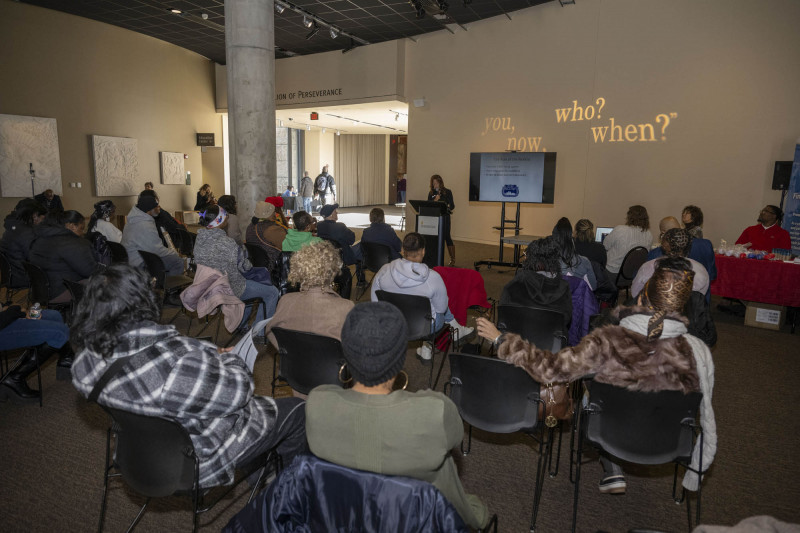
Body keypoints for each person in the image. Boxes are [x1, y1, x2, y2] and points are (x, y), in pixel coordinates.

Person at [477, 257, 716, 495]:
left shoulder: (606, 340)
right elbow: (705, 412)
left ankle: (611, 464)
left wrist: (501, 339)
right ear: (682, 303)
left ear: (643, 296)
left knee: (587, 389)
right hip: (670, 440)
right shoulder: (699, 351)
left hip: (609, 431)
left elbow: (549, 369)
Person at [70, 264, 307, 487]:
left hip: (138, 452)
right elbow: (239, 393)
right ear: (144, 303)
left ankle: (260, 471)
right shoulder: (179, 360)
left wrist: (203, 358)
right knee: (297, 410)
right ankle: (284, 490)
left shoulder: (85, 362)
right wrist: (230, 359)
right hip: (194, 459)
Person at [305, 302, 490, 530]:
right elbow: (454, 437)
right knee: (442, 464)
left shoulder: (317, 403)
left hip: (343, 517)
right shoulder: (434, 412)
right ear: (401, 358)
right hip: (414, 518)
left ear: (346, 352)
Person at [370, 232, 473, 362]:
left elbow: (375, 302)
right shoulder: (433, 277)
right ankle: (453, 330)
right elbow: (441, 309)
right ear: (423, 251)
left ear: (402, 250)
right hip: (424, 327)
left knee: (432, 306)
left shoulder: (384, 270)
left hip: (392, 323)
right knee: (439, 306)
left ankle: (427, 348)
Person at [194, 205, 280, 326]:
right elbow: (245, 267)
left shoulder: (199, 239)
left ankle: (241, 325)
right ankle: (259, 332)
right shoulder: (227, 243)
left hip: (208, 285)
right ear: (222, 221)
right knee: (272, 292)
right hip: (230, 286)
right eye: (226, 217)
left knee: (253, 286)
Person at [0, 303, 72, 404]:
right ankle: (14, 379)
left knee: (55, 316)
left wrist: (12, 308)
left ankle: (67, 358)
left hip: (6, 317)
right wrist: (18, 312)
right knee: (60, 332)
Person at [499, 236, 572, 331]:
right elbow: (566, 319)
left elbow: (503, 316)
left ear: (530, 260)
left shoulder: (515, 284)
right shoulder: (564, 287)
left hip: (518, 340)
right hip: (551, 343)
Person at [29, 210, 97, 303]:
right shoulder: (72, 243)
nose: (82, 233)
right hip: (60, 292)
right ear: (71, 226)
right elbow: (90, 271)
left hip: (41, 292)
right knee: (106, 283)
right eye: (81, 229)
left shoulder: (40, 238)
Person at [121, 191, 184, 276]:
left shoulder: (133, 220)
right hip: (139, 264)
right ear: (150, 210)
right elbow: (157, 250)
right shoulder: (145, 225)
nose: (159, 208)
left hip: (130, 259)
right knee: (177, 261)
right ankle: (164, 287)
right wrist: (174, 253)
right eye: (157, 206)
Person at [632, 228, 710, 297]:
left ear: (664, 245)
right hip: (688, 312)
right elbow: (699, 297)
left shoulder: (649, 267)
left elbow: (635, 293)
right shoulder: (701, 269)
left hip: (654, 311)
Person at [647, 216, 717, 286]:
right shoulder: (706, 244)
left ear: (663, 233)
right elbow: (712, 275)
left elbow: (648, 281)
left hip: (670, 294)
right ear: (680, 227)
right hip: (702, 294)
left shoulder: (656, 254)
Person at [1, 199, 47, 287]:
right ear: (34, 215)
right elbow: (35, 258)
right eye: (42, 218)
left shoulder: (12, 227)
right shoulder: (26, 232)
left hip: (10, 275)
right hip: (22, 277)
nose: (43, 222)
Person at [316, 204, 364, 282]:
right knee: (361, 246)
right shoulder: (340, 227)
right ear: (331, 214)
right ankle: (361, 280)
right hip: (342, 255)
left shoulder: (319, 225)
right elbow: (352, 240)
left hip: (325, 254)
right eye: (335, 211)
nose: (337, 213)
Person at [603, 204, 653, 276]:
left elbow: (605, 246)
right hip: (632, 275)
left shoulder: (620, 229)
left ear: (629, 216)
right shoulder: (649, 234)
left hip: (612, 272)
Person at [552, 217, 597, 290]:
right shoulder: (584, 261)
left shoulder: (547, 262)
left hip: (553, 300)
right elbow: (592, 287)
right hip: (577, 300)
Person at [428, 174, 456, 266]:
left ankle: (453, 259)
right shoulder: (431, 193)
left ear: (440, 183)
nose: (435, 185)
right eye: (433, 183)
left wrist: (446, 205)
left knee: (447, 237)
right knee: (435, 238)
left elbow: (452, 206)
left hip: (445, 218)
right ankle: (436, 258)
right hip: (435, 219)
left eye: (437, 183)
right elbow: (428, 205)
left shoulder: (448, 192)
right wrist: (435, 200)